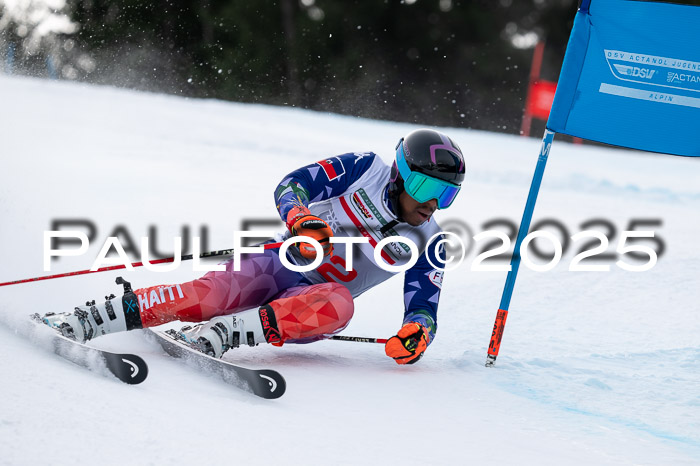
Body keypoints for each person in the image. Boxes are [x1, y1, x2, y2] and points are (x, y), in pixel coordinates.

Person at [40, 128, 466, 365]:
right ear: (400, 173)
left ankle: (224, 334)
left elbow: (424, 307)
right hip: (277, 264)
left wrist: (417, 334)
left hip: (308, 308)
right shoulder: (364, 169)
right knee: (212, 294)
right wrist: (301, 217)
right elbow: (293, 184)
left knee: (339, 303)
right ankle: (92, 317)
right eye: (426, 186)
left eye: (447, 195)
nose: (432, 203)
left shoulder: (429, 242)